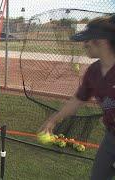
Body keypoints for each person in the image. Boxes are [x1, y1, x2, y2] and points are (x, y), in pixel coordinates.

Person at [38, 14, 115, 179]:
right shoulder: (94, 71)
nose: (84, 45)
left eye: (87, 40)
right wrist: (54, 120)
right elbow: (78, 100)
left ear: (101, 41)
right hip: (111, 136)